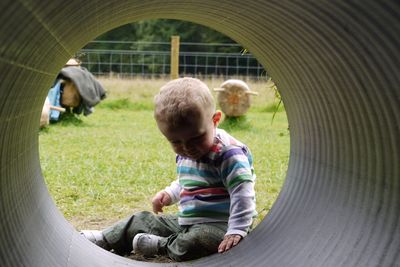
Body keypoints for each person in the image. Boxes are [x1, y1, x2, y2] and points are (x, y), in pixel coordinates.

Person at [81, 77, 256, 261]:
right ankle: (106, 238)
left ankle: (161, 246)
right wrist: (170, 194)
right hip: (187, 222)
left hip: (222, 225)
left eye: (196, 138)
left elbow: (243, 193)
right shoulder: (188, 149)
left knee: (199, 241)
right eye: (176, 142)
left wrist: (237, 229)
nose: (187, 147)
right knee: (142, 220)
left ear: (215, 120)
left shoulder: (229, 154)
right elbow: (188, 181)